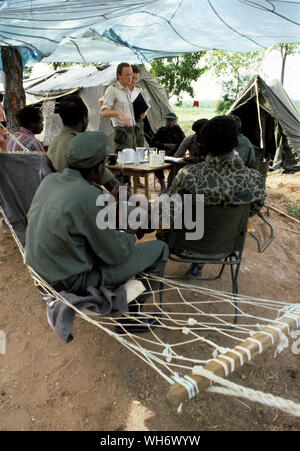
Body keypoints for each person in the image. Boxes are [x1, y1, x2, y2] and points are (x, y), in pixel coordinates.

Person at [25, 131, 169, 312]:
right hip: (69, 282)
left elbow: (78, 217)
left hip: (41, 274)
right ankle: (132, 313)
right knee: (160, 249)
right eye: (104, 163)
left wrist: (111, 204)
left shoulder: (50, 181)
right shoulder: (89, 196)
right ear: (97, 169)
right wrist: (128, 234)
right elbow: (116, 255)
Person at [157, 115, 266, 277]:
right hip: (227, 246)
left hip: (183, 246)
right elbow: (252, 210)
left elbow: (165, 216)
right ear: (236, 143)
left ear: (204, 145)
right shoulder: (254, 180)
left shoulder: (188, 175)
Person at [47, 94, 119, 194]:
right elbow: (111, 183)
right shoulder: (81, 145)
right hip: (78, 196)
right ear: (84, 118)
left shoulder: (54, 142)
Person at [101, 62, 136, 152]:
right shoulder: (112, 90)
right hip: (122, 132)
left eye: (131, 75)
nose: (130, 78)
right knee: (123, 163)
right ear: (118, 75)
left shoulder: (127, 90)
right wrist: (119, 113)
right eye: (127, 75)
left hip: (132, 132)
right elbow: (104, 112)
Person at [150, 112, 185, 193]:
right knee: (155, 165)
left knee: (176, 167)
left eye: (171, 120)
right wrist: (164, 145)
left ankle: (171, 186)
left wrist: (174, 147)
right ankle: (163, 186)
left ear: (174, 121)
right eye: (168, 120)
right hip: (163, 155)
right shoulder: (161, 130)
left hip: (175, 156)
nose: (169, 122)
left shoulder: (178, 130)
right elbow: (152, 143)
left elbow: (184, 143)